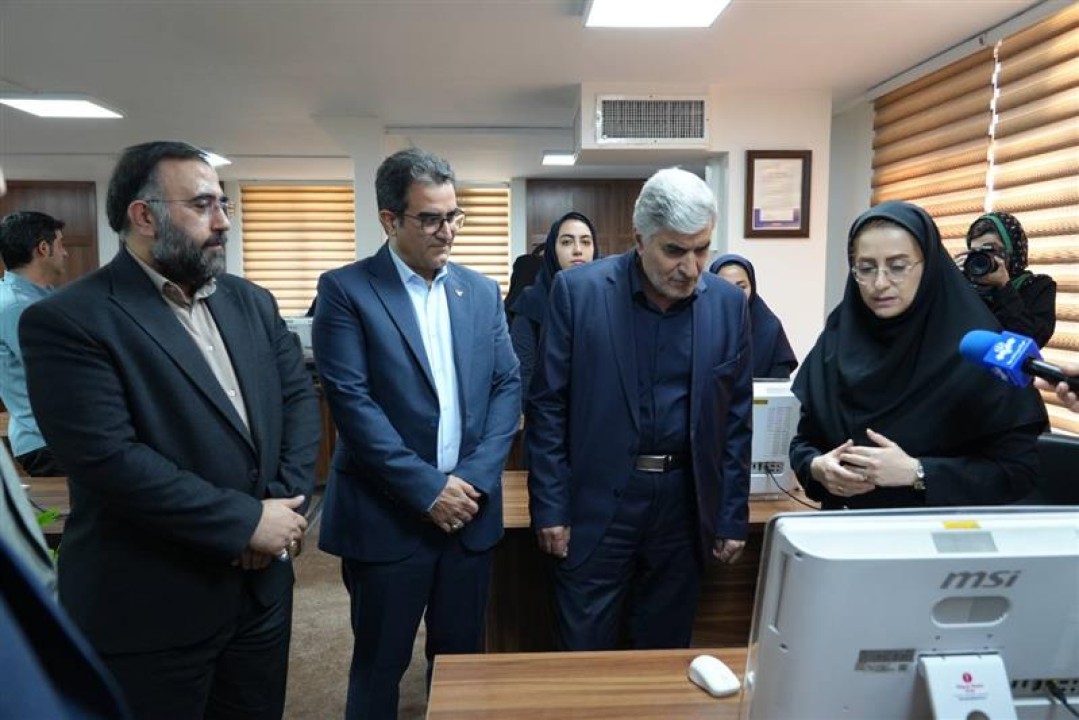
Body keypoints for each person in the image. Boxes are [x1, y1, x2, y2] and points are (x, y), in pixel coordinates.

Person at [19, 141, 320, 720]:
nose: (223, 221)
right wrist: (244, 522)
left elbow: (298, 402)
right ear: (145, 216)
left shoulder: (251, 302)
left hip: (259, 596)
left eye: (224, 204)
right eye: (203, 205)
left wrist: (279, 511)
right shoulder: (70, 320)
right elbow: (108, 460)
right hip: (152, 604)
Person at [313, 148, 520, 719]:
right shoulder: (347, 291)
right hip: (386, 519)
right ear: (389, 220)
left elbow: (507, 386)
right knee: (379, 668)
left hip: (469, 516)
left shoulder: (481, 291)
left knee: (461, 666)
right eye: (430, 219)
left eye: (454, 216)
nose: (447, 231)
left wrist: (470, 482)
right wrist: (429, 490)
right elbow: (352, 405)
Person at [526, 168, 752, 651]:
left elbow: (735, 419)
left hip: (684, 504)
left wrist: (731, 514)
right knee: (583, 648)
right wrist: (550, 507)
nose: (691, 267)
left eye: (702, 249)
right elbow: (548, 409)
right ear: (639, 239)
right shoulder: (578, 293)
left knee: (664, 651)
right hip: (599, 502)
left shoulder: (729, 305)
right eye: (674, 250)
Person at [791, 201, 1047, 510]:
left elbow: (1020, 474)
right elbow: (804, 442)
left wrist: (918, 472)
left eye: (898, 266)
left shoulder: (980, 351)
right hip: (843, 530)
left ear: (929, 266)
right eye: (866, 268)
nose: (880, 283)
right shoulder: (836, 342)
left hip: (942, 533)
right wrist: (816, 467)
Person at [0, 210, 68, 476]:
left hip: (57, 435)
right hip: (47, 441)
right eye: (60, 245)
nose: (65, 253)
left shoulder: (39, 298)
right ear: (43, 249)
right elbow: (62, 373)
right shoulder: (17, 306)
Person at [510, 211, 599, 405]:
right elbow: (523, 374)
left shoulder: (608, 300)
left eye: (586, 242)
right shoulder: (532, 302)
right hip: (546, 412)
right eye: (567, 242)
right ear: (552, 250)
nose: (578, 250)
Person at [955, 211, 1056, 347]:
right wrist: (953, 281)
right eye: (975, 251)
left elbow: (1031, 341)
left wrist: (1004, 287)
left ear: (1013, 250)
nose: (982, 257)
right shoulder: (965, 286)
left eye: (990, 249)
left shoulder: (1037, 286)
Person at [709, 253, 798, 379]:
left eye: (741, 287)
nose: (734, 294)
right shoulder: (699, 324)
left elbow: (779, 380)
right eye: (725, 287)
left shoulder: (770, 328)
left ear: (752, 286)